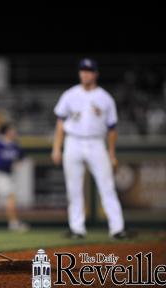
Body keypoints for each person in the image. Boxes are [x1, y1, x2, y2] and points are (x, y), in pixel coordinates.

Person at [51, 58, 127, 239]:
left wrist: (112, 153)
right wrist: (56, 148)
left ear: (96, 74)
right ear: (79, 73)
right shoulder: (70, 94)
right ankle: (77, 229)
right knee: (74, 188)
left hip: (96, 143)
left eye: (89, 70)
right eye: (83, 70)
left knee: (107, 186)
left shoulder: (105, 98)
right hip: (73, 142)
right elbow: (60, 123)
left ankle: (117, 229)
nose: (85, 73)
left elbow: (112, 129)